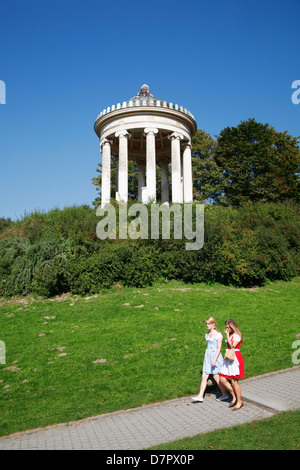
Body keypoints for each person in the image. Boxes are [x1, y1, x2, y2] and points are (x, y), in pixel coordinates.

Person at [192, 317, 228, 403]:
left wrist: (214, 360)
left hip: (215, 355)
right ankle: (200, 396)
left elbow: (219, 348)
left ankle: (224, 394)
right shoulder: (207, 334)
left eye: (209, 324)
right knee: (204, 376)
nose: (207, 325)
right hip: (208, 356)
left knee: (216, 376)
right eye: (207, 324)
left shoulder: (218, 334)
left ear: (213, 324)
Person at [220, 319, 245, 410]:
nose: (227, 329)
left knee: (234, 381)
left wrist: (227, 336)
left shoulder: (237, 336)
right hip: (228, 358)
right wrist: (227, 335)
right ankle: (234, 395)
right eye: (226, 328)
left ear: (232, 327)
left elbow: (232, 346)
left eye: (228, 328)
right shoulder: (230, 335)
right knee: (222, 378)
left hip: (235, 358)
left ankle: (239, 401)